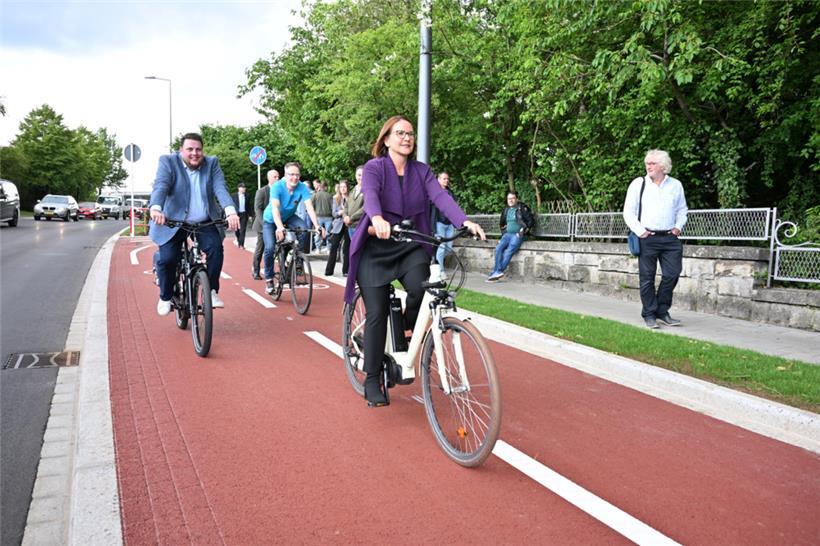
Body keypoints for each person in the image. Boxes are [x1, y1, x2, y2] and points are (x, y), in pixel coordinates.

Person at [343, 115, 486, 407]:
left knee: (424, 290)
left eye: (410, 133)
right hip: (376, 246)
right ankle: (372, 378)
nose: (406, 137)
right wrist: (379, 218)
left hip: (409, 245)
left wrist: (464, 220)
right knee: (377, 312)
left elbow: (440, 197)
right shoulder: (374, 168)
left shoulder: (422, 171)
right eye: (400, 133)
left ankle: (405, 327)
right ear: (386, 140)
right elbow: (370, 195)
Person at [149, 133, 240, 316]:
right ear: (181, 150)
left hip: (203, 221)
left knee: (216, 249)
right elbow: (162, 185)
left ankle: (212, 290)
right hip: (173, 222)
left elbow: (220, 188)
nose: (194, 153)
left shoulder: (211, 163)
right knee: (168, 259)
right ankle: (166, 296)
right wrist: (156, 208)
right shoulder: (168, 162)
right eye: (189, 149)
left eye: (198, 149)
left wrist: (230, 211)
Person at [623, 149, 688, 329]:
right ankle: (650, 314)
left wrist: (678, 227)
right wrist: (640, 231)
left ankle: (662, 310)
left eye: (652, 163)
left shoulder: (675, 185)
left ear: (663, 166)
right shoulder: (639, 184)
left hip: (670, 238)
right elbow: (628, 211)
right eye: (647, 163)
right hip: (647, 237)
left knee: (672, 274)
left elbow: (682, 209)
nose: (648, 166)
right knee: (647, 278)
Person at [262, 162, 326, 294]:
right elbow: (275, 208)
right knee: (269, 248)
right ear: (285, 175)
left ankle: (296, 257)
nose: (295, 178)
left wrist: (317, 225)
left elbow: (309, 207)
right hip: (271, 219)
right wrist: (279, 227)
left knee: (303, 229)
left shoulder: (302, 187)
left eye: (297, 175)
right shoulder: (277, 187)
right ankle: (269, 278)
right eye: (291, 174)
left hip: (289, 217)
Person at [487, 191, 536, 281]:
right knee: (498, 248)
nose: (511, 200)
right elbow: (502, 223)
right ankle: (497, 272)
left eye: (513, 198)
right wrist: (503, 233)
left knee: (509, 251)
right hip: (507, 235)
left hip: (518, 235)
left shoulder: (522, 208)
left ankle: (497, 271)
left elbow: (531, 221)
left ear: (516, 199)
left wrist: (522, 231)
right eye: (509, 198)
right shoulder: (506, 209)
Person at [251, 169, 278, 280]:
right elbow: (257, 209)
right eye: (275, 177)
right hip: (263, 225)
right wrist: (264, 223)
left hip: (276, 224)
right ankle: (255, 270)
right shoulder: (262, 191)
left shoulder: (280, 191)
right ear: (269, 178)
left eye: (278, 177)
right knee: (260, 248)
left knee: (278, 247)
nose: (277, 179)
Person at [325, 180, 350, 276]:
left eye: (344, 187)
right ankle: (329, 270)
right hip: (338, 225)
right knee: (334, 247)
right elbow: (334, 214)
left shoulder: (351, 199)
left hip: (348, 225)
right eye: (341, 187)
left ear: (347, 188)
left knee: (347, 248)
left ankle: (346, 271)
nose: (343, 189)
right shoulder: (335, 199)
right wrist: (340, 212)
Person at [430, 171, 455, 270]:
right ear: (438, 179)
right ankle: (440, 271)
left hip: (450, 224)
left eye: (447, 179)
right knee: (441, 247)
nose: (446, 181)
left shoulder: (450, 192)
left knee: (449, 249)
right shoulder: (434, 193)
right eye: (444, 179)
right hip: (439, 223)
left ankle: (434, 261)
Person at [311, 180, 333, 253]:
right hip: (328, 217)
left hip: (318, 216)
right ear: (326, 187)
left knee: (318, 233)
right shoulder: (330, 195)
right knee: (328, 233)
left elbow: (311, 206)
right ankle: (329, 248)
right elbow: (333, 207)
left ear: (320, 186)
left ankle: (318, 248)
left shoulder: (315, 195)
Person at [343, 165, 365, 239]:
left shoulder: (368, 190)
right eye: (359, 175)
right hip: (350, 226)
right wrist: (345, 216)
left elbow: (365, 208)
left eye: (363, 175)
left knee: (360, 249)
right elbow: (346, 206)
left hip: (360, 226)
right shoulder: (352, 190)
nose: (360, 177)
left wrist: (351, 218)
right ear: (355, 176)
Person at [231, 182, 251, 249]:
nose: (244, 189)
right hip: (236, 214)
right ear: (239, 188)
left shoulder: (247, 196)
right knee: (237, 230)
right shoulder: (233, 196)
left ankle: (241, 244)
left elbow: (248, 206)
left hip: (244, 214)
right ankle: (238, 239)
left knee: (243, 230)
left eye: (244, 187)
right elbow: (231, 205)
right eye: (242, 187)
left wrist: (250, 215)